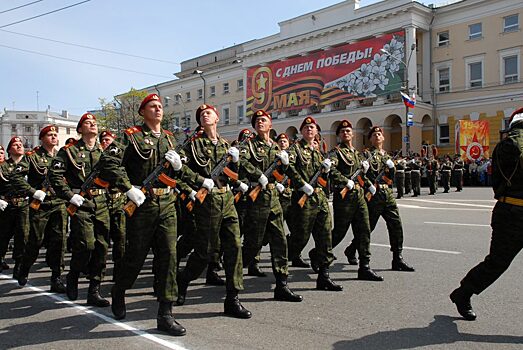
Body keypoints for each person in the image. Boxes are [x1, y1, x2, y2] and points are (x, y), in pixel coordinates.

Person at [98, 94, 187, 336]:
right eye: (153, 107)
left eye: (160, 107)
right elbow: (108, 162)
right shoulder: (131, 136)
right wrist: (129, 188)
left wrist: (179, 167)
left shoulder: (169, 139)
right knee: (136, 255)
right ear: (142, 111)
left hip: (167, 202)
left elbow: (178, 174)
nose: (158, 110)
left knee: (169, 254)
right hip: (142, 204)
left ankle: (165, 314)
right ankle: (119, 289)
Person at [175, 104, 252, 319]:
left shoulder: (226, 145)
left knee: (235, 246)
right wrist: (200, 181)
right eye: (201, 114)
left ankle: (232, 298)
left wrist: (235, 163)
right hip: (207, 200)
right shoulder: (192, 144)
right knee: (205, 251)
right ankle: (183, 279)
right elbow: (180, 169)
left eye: (208, 113)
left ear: (217, 118)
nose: (204, 115)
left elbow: (231, 175)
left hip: (227, 197)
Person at [450, 107, 523, 321]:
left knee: (496, 262)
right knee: (497, 263)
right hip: (513, 214)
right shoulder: (511, 145)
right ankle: (463, 293)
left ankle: (463, 293)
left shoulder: (506, 144)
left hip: (509, 209)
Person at [239, 109, 302, 302]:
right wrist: (258, 175)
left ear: (270, 124)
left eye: (264, 120)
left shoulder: (276, 147)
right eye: (257, 120)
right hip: (256, 200)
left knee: (280, 241)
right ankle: (231, 270)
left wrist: (287, 168)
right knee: (252, 244)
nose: (260, 122)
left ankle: (282, 284)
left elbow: (288, 170)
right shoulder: (248, 145)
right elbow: (240, 162)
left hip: (274, 198)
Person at [49, 113, 111, 307]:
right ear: (79, 129)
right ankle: (74, 274)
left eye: (94, 123)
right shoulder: (69, 151)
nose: (92, 124)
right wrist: (69, 195)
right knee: (86, 245)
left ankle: (94, 289)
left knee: (102, 247)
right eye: (87, 122)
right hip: (81, 203)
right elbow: (55, 175)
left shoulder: (105, 152)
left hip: (102, 203)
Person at [317, 119, 383, 281]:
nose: (346, 133)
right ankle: (317, 254)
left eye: (348, 131)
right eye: (342, 131)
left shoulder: (357, 154)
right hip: (344, 197)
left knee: (364, 231)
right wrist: (344, 181)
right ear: (339, 135)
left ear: (352, 134)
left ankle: (365, 266)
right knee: (339, 232)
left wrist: (369, 185)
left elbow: (360, 175)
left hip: (359, 196)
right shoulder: (336, 152)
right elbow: (330, 168)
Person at [287, 117, 342, 291]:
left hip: (320, 199)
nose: (309, 130)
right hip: (303, 198)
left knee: (325, 236)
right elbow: (289, 167)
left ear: (317, 132)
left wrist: (326, 169)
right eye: (306, 127)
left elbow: (324, 178)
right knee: (300, 236)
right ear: (301, 131)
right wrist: (301, 184)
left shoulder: (318, 152)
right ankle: (285, 252)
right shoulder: (295, 149)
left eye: (312, 127)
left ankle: (324, 276)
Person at [14, 126, 67, 293]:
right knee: (35, 240)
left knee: (59, 242)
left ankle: (56, 277)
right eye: (49, 135)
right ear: (42, 138)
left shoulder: (63, 156)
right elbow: (16, 176)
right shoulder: (33, 157)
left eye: (55, 135)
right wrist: (33, 192)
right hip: (41, 205)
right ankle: (24, 267)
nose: (53, 137)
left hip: (59, 203)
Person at [363, 127, 415, 272]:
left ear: (383, 138)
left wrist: (392, 168)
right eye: (374, 135)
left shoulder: (387, 156)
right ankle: (352, 249)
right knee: (369, 227)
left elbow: (390, 178)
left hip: (387, 195)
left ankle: (397, 258)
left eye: (379, 134)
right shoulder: (366, 155)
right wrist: (369, 185)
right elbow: (361, 175)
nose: (377, 136)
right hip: (374, 195)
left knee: (396, 225)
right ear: (370, 139)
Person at [0, 136, 29, 280]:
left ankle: (19, 264)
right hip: (7, 205)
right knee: (4, 234)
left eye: (20, 144)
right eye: (15, 145)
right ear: (9, 149)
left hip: (24, 204)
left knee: (22, 235)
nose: (19, 146)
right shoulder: (3, 166)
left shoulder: (30, 164)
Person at [98, 130, 126, 265]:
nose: (105, 142)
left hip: (119, 200)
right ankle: (96, 267)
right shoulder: (97, 157)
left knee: (120, 237)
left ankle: (119, 268)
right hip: (101, 200)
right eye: (102, 140)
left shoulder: (120, 158)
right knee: (101, 238)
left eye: (108, 140)